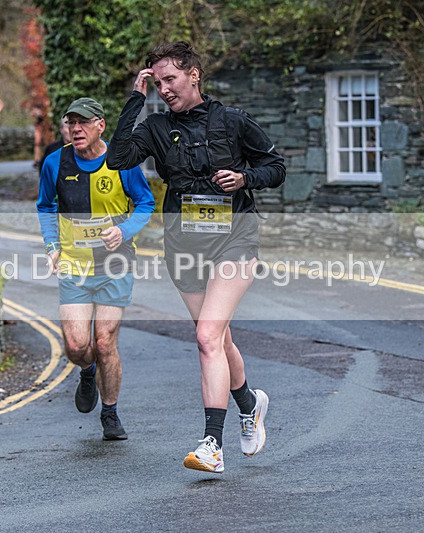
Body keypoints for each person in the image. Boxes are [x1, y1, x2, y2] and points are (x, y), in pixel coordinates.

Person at [106, 41, 286, 473]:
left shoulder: (233, 121)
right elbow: (116, 158)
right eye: (157, 82)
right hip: (184, 246)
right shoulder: (154, 127)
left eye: (170, 79)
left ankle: (211, 444)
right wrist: (136, 98)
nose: (164, 88)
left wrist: (244, 177)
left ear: (194, 75)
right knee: (218, 339)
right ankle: (249, 404)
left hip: (235, 239)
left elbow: (276, 168)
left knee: (206, 337)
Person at [37, 97, 154, 441]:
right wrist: (51, 245)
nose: (75, 129)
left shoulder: (121, 161)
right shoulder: (55, 163)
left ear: (100, 125)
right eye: (70, 122)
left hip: (114, 263)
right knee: (76, 346)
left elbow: (146, 202)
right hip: (73, 265)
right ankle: (86, 371)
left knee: (104, 342)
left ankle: (110, 413)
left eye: (83, 122)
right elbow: (45, 206)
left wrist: (125, 230)